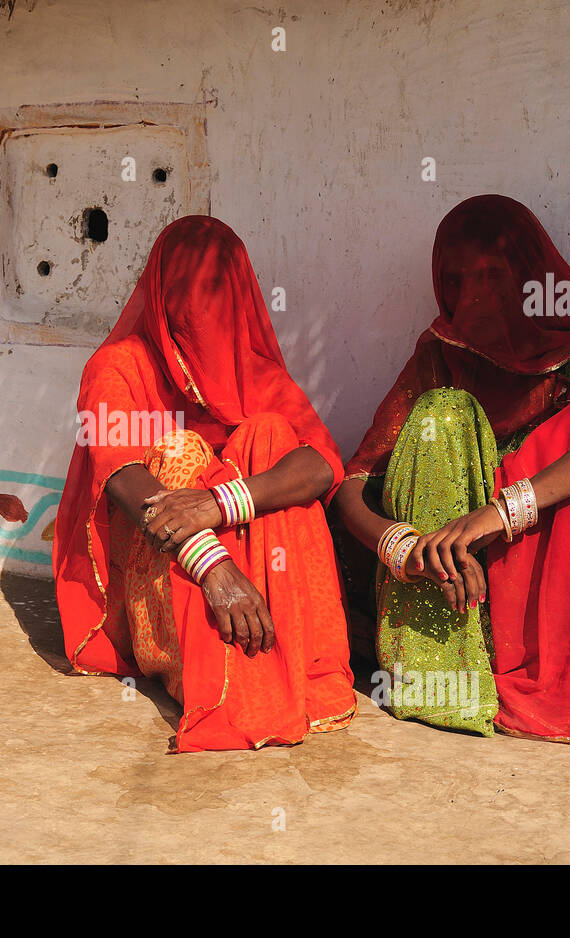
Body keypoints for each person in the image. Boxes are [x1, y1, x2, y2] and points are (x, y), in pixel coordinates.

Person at [333, 194, 570, 742]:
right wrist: (402, 548)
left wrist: (498, 513)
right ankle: (444, 669)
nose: (473, 296)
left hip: (540, 589)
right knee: (439, 415)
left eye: (493, 276)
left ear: (532, 280)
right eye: (457, 279)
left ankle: (565, 668)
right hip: (453, 583)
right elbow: (353, 484)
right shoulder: (440, 357)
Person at [52, 215, 357, 752]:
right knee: (179, 451)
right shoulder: (117, 366)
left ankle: (288, 664)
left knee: (272, 437)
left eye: (215, 294)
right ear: (160, 293)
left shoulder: (255, 372)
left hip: (232, 548)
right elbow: (122, 477)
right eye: (185, 295)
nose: (199, 313)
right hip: (168, 570)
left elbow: (323, 464)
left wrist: (219, 503)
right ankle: (230, 676)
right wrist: (214, 566)